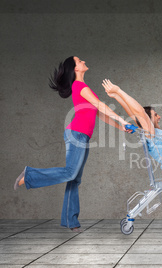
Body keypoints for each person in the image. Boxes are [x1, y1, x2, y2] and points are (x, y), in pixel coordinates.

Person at [13, 57, 132, 232]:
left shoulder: (85, 88)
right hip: (76, 134)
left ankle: (71, 221)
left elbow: (100, 113)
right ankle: (29, 175)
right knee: (70, 173)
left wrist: (121, 127)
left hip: (81, 136)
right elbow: (100, 104)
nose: (83, 61)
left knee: (74, 179)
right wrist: (122, 119)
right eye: (79, 60)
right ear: (75, 69)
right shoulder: (79, 86)